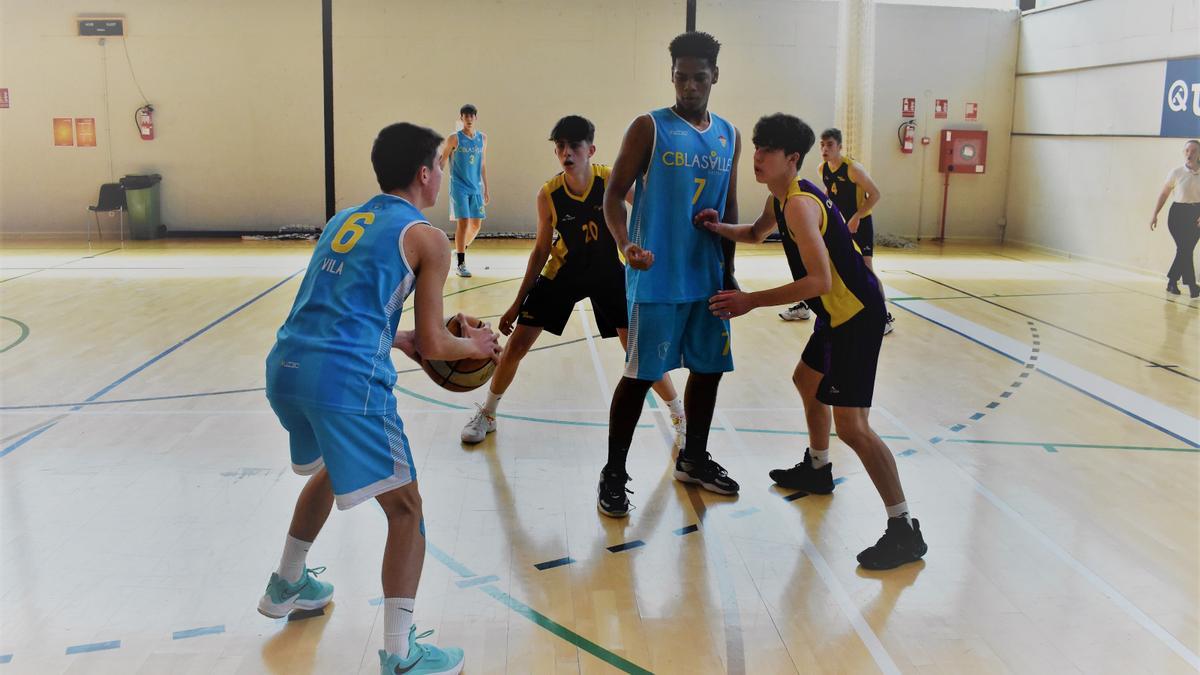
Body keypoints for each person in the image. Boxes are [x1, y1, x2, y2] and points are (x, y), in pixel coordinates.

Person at [261, 122, 500, 674]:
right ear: (424, 173)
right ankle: (401, 653)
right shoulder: (427, 236)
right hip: (345, 382)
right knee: (406, 508)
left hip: (288, 368)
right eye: (439, 165)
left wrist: (398, 339)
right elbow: (442, 341)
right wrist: (478, 343)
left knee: (330, 469)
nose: (442, 173)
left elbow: (335, 306)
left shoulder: (345, 219)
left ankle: (287, 582)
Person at [697, 113, 927, 570]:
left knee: (854, 428)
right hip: (837, 313)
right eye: (757, 147)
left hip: (855, 316)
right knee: (806, 380)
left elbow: (819, 280)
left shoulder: (800, 205)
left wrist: (750, 300)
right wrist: (717, 227)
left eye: (767, 150)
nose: (757, 156)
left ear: (792, 159)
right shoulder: (779, 197)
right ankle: (818, 469)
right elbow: (758, 234)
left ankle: (904, 529)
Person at [460, 115, 687, 447]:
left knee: (637, 351)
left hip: (608, 273)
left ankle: (681, 416)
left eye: (574, 145)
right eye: (560, 146)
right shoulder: (548, 194)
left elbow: (649, 209)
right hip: (562, 274)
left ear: (590, 149)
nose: (567, 152)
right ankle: (488, 414)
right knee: (515, 347)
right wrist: (516, 303)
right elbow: (540, 250)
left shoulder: (611, 179)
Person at [597, 31, 742, 518]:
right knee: (640, 376)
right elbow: (613, 194)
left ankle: (693, 458)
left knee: (709, 371)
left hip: (706, 278)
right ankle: (613, 472)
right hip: (657, 277)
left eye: (699, 77)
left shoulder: (729, 134)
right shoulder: (649, 127)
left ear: (715, 76)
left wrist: (731, 273)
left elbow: (731, 206)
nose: (689, 86)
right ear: (672, 76)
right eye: (681, 77)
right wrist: (623, 243)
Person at [776, 128, 896, 334]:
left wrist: (857, 217)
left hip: (860, 224)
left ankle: (883, 316)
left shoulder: (853, 169)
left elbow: (875, 194)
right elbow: (829, 193)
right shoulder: (822, 169)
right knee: (818, 265)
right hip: (839, 225)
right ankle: (805, 306)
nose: (824, 148)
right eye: (822, 144)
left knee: (867, 270)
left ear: (840, 147)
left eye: (829, 144)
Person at [440, 104, 489, 278]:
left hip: (476, 187)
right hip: (459, 186)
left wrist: (486, 188)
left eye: (471, 116)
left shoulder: (482, 138)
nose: (469, 119)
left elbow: (482, 164)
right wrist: (434, 179)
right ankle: (461, 263)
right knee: (464, 222)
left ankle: (459, 250)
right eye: (465, 116)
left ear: (476, 118)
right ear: (461, 118)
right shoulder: (454, 138)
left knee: (476, 225)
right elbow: (443, 159)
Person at [1150, 139, 1200, 298]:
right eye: (1187, 151)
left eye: (1193, 151)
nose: (1189, 154)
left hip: (1196, 214)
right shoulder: (1176, 172)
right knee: (1185, 249)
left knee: (1185, 250)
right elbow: (1164, 194)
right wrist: (1155, 214)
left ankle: (1172, 281)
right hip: (1178, 215)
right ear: (1183, 152)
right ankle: (1192, 286)